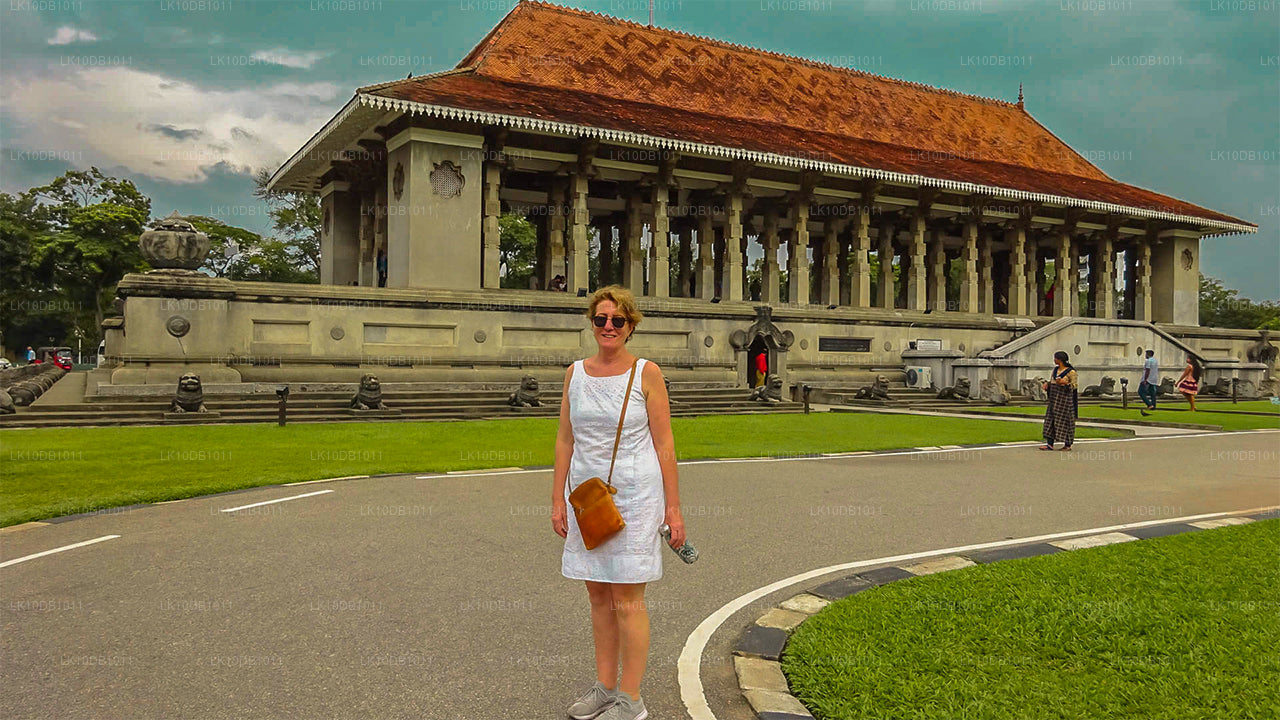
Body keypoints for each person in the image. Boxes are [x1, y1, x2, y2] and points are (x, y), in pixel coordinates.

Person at [552, 285, 684, 720]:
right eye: (601, 319)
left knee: (627, 598)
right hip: (587, 499)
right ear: (592, 323)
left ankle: (632, 699)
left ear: (630, 327)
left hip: (635, 497)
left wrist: (673, 508)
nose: (608, 326)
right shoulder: (575, 373)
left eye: (617, 320)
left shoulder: (647, 373)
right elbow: (565, 439)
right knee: (597, 594)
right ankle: (605, 687)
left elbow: (664, 444)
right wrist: (557, 500)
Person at [1040, 350, 1078, 451]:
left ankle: (1067, 445)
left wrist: (1064, 383)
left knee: (1066, 421)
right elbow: (1052, 381)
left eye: (1055, 358)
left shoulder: (1071, 372)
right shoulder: (1055, 370)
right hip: (1054, 399)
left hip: (1064, 401)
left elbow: (1074, 386)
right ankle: (1049, 444)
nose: (1054, 360)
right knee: (1050, 420)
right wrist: (1047, 384)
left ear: (1060, 360)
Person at [1138, 349, 1158, 416]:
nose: (1145, 355)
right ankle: (1153, 406)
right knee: (1152, 393)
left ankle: (1149, 404)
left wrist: (1145, 379)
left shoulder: (1148, 361)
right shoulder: (1155, 361)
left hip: (1148, 379)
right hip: (1154, 379)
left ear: (1148, 354)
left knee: (1141, 392)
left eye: (1146, 354)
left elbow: (1147, 370)